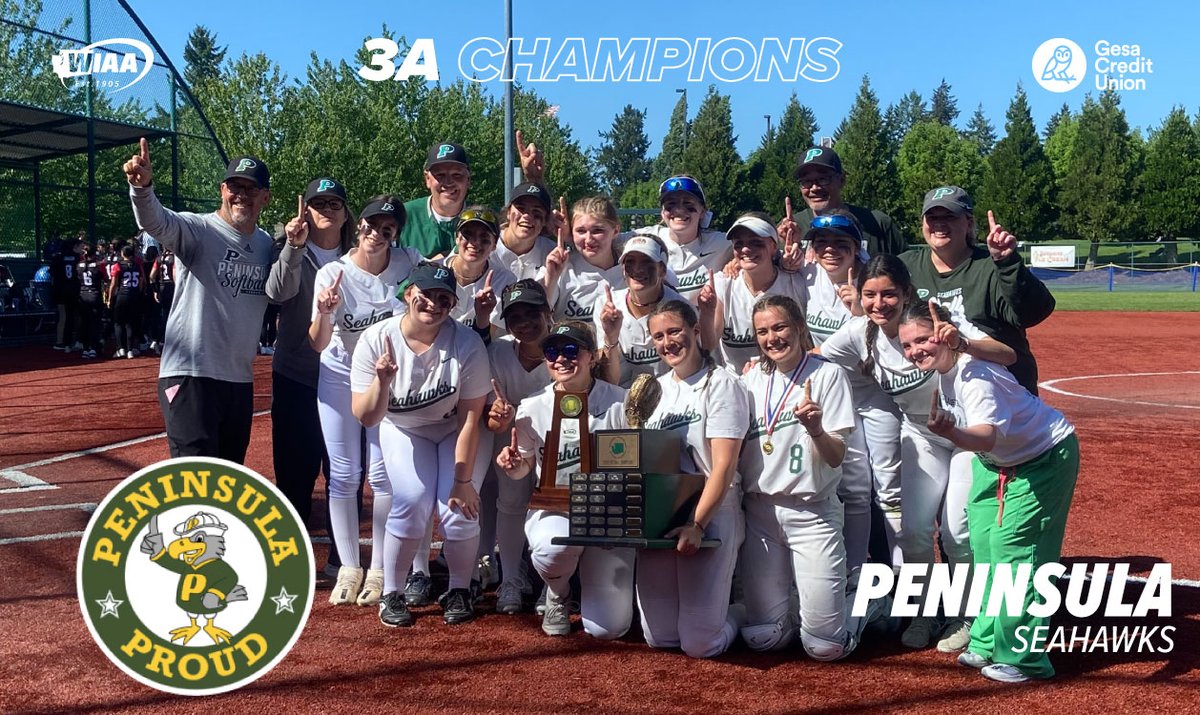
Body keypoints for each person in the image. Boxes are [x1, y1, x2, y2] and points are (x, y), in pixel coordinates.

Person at [818, 254, 1015, 652]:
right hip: (922, 437)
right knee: (913, 531)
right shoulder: (859, 333)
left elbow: (1008, 354)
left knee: (958, 533)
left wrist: (963, 342)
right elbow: (816, 357)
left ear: (907, 292)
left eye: (889, 294)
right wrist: (764, 364)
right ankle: (924, 611)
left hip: (964, 437)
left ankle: (966, 614)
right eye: (869, 295)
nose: (878, 304)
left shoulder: (932, 319)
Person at [897, 300, 1078, 683]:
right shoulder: (946, 369)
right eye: (908, 345)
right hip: (994, 462)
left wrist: (951, 433)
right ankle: (986, 637)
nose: (916, 351)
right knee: (983, 544)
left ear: (943, 337)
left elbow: (985, 435)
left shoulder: (972, 375)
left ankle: (1026, 658)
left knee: (1017, 554)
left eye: (923, 340)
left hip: (1041, 457)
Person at [351, 262, 492, 628]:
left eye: (444, 298)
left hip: (452, 429)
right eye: (426, 294)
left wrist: (463, 480)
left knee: (458, 509)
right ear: (409, 293)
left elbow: (471, 418)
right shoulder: (376, 339)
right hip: (403, 427)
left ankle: (460, 588)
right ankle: (392, 591)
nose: (434, 304)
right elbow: (366, 417)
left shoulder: (466, 341)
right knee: (411, 500)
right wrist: (381, 382)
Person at [737, 294, 877, 659]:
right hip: (761, 515)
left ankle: (865, 601)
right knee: (763, 637)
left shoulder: (827, 375)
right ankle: (800, 602)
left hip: (812, 512)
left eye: (780, 327)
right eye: (763, 332)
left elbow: (836, 457)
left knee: (824, 646)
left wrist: (816, 429)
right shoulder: (750, 379)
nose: (772, 338)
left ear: (799, 327)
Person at [125, 138, 274, 462]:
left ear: (265, 197)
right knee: (193, 482)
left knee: (227, 481)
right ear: (222, 189)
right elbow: (156, 221)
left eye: (251, 189)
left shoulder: (266, 246)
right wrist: (143, 189)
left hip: (238, 381)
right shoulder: (198, 229)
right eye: (235, 186)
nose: (241, 195)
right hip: (191, 375)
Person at [311, 198, 422, 607]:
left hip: (384, 378)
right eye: (373, 224)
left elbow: (440, 274)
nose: (378, 233)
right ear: (360, 225)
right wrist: (323, 312)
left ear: (397, 234)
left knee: (382, 473)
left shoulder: (408, 261)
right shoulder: (333, 272)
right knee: (343, 473)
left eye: (388, 228)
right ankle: (348, 566)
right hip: (340, 375)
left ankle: (378, 568)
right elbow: (319, 342)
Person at [496, 322, 632, 637]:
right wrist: (513, 465)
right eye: (552, 351)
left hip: (606, 515)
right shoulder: (531, 407)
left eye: (571, 350)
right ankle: (558, 591)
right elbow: (525, 468)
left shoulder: (620, 403)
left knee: (608, 628)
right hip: (557, 510)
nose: (561, 359)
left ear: (592, 357)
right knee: (550, 551)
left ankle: (592, 580)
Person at [630, 300, 748, 658]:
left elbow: (724, 468)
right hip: (662, 514)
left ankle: (746, 609)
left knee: (700, 643)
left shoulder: (722, 384)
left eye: (675, 332)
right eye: (659, 336)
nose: (668, 342)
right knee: (660, 638)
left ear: (696, 332)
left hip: (709, 512)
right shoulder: (654, 389)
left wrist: (697, 524)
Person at [798, 210, 895, 574]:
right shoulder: (807, 276)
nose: (830, 250)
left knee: (888, 487)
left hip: (873, 394)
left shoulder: (871, 279)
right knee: (853, 488)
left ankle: (897, 577)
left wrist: (860, 311)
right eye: (822, 243)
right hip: (832, 395)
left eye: (841, 243)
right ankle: (855, 575)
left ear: (857, 248)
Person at [899, 186, 1055, 395]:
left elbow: (1034, 312)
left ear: (969, 222)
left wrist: (1007, 262)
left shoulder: (990, 265)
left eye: (949, 216)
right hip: (943, 395)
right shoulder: (906, 266)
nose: (939, 224)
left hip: (1004, 391)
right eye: (932, 217)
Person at [266, 179, 356, 532]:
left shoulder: (359, 257)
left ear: (346, 214)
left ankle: (342, 557)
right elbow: (278, 293)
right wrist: (294, 246)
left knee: (343, 472)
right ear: (306, 210)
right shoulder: (288, 250)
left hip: (345, 379)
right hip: (296, 375)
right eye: (320, 204)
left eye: (335, 204)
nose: (328, 211)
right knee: (294, 473)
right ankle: (293, 556)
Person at [483, 279, 557, 614]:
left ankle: (552, 585)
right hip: (511, 441)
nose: (524, 322)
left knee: (553, 506)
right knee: (511, 503)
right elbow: (494, 422)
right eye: (514, 317)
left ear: (548, 312)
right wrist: (500, 415)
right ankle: (511, 578)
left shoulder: (565, 349)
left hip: (557, 443)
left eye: (532, 313)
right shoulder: (498, 351)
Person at [400, 133, 545, 259]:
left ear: (468, 180)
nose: (449, 182)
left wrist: (534, 179)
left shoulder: (485, 219)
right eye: (440, 175)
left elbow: (531, 228)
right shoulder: (403, 215)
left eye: (457, 175)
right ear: (427, 179)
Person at [697, 212, 808, 372]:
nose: (746, 249)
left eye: (756, 243)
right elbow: (709, 345)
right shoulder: (723, 284)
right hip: (739, 386)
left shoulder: (795, 282)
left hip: (789, 381)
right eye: (738, 244)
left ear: (773, 246)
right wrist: (707, 313)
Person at [623, 176, 732, 305]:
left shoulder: (721, 243)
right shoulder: (647, 237)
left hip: (703, 322)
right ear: (662, 212)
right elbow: (606, 239)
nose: (679, 210)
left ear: (702, 211)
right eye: (671, 204)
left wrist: (737, 261)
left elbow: (754, 245)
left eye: (688, 204)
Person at [781, 146, 908, 257]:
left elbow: (907, 272)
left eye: (823, 179)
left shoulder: (877, 223)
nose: (814, 188)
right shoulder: (791, 228)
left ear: (841, 180)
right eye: (806, 181)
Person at [596, 234, 684, 388]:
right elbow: (609, 381)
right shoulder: (606, 307)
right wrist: (611, 337)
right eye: (630, 262)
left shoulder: (680, 308)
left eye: (647, 261)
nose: (637, 269)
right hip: (620, 396)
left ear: (662, 269)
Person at [436, 206, 517, 342]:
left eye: (484, 238)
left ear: (494, 244)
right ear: (457, 238)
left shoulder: (504, 280)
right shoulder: (435, 271)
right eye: (468, 235)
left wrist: (483, 316)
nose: (474, 243)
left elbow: (485, 342)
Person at [542, 196, 625, 324]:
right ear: (571, 233)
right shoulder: (561, 268)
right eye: (581, 231)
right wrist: (551, 278)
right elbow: (539, 315)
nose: (589, 239)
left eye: (598, 230)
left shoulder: (630, 270)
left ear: (615, 231)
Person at [494, 182, 556, 281]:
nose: (527, 216)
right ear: (508, 213)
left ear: (545, 220)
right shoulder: (488, 246)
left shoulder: (551, 252)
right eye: (521, 209)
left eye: (536, 212)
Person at [106, 244, 144, 359]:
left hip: (122, 295)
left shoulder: (118, 265)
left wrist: (109, 298)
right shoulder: (138, 265)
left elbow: (113, 284)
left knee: (118, 323)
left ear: (123, 254)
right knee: (130, 323)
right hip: (134, 295)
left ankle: (120, 348)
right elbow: (142, 282)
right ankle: (130, 349)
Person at [76, 241, 104, 359]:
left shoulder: (79, 265)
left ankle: (85, 348)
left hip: (83, 294)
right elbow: (104, 278)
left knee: (84, 322)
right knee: (95, 323)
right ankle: (93, 347)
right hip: (94, 294)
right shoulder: (98, 265)